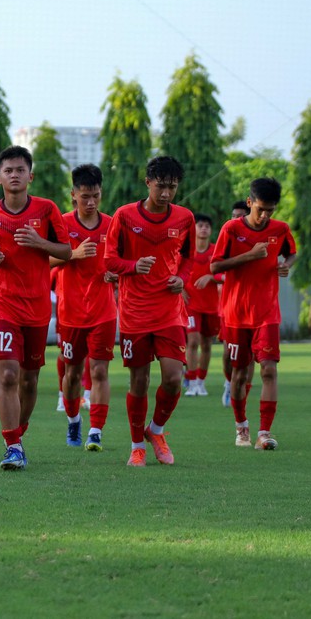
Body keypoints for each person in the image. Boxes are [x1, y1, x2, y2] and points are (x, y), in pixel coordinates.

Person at [0, 145, 70, 470]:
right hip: (1, 303)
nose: (14, 175)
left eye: (20, 170)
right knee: (10, 374)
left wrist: (39, 243)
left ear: (31, 175)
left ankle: (18, 433)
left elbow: (67, 251)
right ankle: (12, 445)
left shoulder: (46, 210)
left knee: (29, 380)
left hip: (38, 307)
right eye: (8, 170)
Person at [104, 156, 194, 467]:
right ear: (148, 183)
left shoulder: (184, 218)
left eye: (172, 187)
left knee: (173, 378)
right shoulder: (125, 215)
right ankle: (135, 447)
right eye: (161, 186)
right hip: (134, 312)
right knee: (138, 381)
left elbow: (190, 258)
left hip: (170, 311)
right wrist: (132, 266)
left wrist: (182, 278)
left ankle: (156, 431)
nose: (166, 193)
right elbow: (108, 260)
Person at [210, 177, 297, 451]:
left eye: (270, 210)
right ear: (249, 203)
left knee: (269, 370)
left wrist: (285, 264)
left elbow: (291, 253)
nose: (265, 215)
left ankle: (264, 433)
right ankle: (241, 427)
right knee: (239, 374)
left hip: (267, 314)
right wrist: (249, 255)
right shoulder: (232, 229)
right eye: (260, 209)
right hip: (236, 314)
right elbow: (215, 267)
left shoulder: (281, 230)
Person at [49, 164, 117, 451]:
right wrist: (72, 255)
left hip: (104, 311)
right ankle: (74, 419)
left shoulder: (113, 225)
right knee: (72, 373)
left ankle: (96, 431)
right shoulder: (61, 224)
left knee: (100, 371)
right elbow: (43, 262)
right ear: (73, 194)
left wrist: (118, 273)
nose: (91, 202)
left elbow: (121, 261)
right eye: (85, 196)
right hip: (71, 312)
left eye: (96, 196)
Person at [183, 213, 220, 398]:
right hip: (191, 305)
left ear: (211, 230)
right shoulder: (187, 251)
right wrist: (181, 288)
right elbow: (173, 270)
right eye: (200, 225)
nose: (204, 228)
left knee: (206, 344)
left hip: (212, 305)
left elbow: (226, 274)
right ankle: (190, 382)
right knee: (193, 341)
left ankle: (201, 382)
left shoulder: (216, 251)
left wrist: (211, 277)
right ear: (194, 229)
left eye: (207, 225)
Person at [220, 200, 252, 407]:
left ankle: (241, 395)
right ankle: (229, 382)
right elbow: (214, 266)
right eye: (233, 215)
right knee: (227, 353)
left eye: (240, 215)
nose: (235, 219)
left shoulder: (256, 241)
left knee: (250, 356)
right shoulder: (227, 238)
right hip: (230, 306)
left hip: (254, 308)